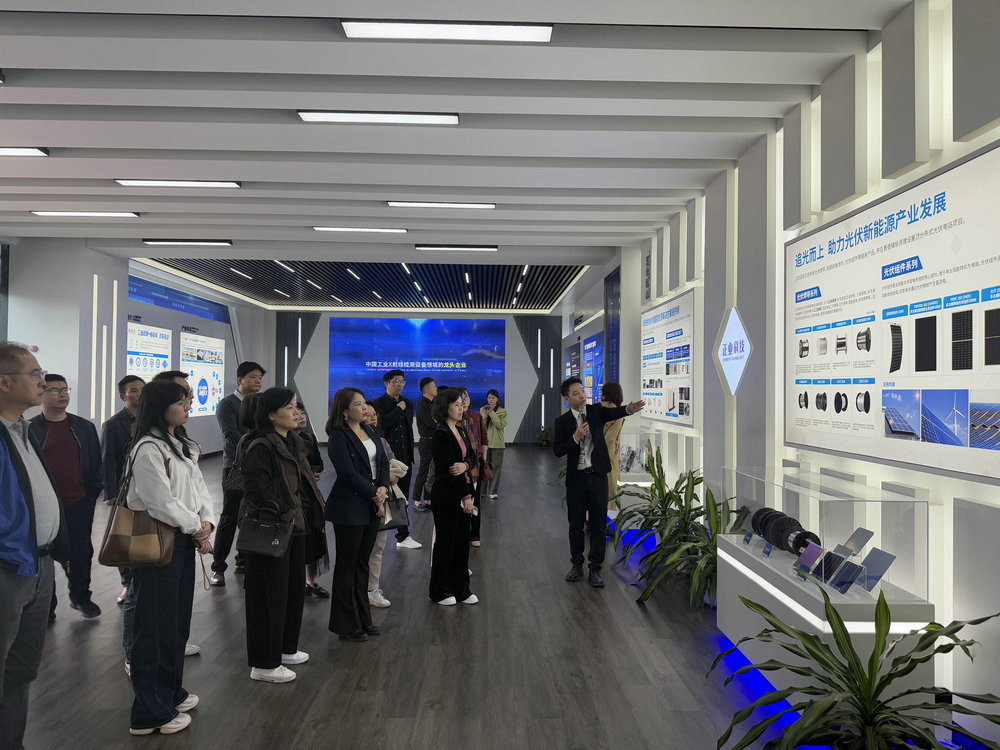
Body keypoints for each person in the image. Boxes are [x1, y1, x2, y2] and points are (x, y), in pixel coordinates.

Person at [124, 380, 215, 736]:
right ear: (161, 407)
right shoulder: (147, 447)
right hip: (158, 542)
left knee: (175, 623)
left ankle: (170, 692)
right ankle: (148, 712)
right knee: (153, 627)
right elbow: (159, 502)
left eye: (188, 400)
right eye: (181, 401)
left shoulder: (180, 444)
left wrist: (206, 521)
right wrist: (196, 527)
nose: (188, 405)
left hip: (181, 539)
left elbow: (198, 489)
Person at [0, 343, 68, 750]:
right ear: (4, 383)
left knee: (21, 671)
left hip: (39, 566)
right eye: (35, 374)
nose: (43, 382)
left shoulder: (23, 429)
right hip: (9, 568)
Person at [241, 388, 323, 683]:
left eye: (296, 406)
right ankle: (264, 663)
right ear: (271, 415)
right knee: (268, 596)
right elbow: (255, 490)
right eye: (289, 407)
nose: (296, 411)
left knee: (291, 591)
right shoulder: (261, 445)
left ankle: (285, 648)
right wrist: (283, 511)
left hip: (295, 526)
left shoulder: (293, 442)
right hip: (273, 528)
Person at [554, 376, 644, 588]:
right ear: (567, 398)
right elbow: (558, 450)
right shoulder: (562, 422)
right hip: (576, 480)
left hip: (597, 477)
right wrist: (575, 437)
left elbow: (614, 413)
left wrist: (628, 409)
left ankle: (595, 568)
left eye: (582, 391)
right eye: (576, 393)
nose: (582, 395)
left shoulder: (595, 411)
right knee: (576, 526)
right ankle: (577, 565)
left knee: (598, 526)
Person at [29, 374, 103, 619]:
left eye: (64, 389)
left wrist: (91, 495)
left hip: (79, 502)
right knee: (43, 555)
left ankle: (80, 598)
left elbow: (96, 464)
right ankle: (47, 606)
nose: (62, 394)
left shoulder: (84, 427)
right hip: (44, 506)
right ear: (41, 394)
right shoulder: (30, 429)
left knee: (80, 553)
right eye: (54, 390)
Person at [326, 388, 386, 641]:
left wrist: (383, 488)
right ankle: (345, 625)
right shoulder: (338, 436)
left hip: (371, 504)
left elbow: (382, 463)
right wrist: (375, 493)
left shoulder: (370, 431)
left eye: (364, 404)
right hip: (350, 506)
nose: (365, 409)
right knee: (347, 565)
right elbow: (348, 474)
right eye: (358, 404)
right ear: (344, 411)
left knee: (362, 562)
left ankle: (363, 619)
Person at [212, 361, 265, 586]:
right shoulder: (228, 404)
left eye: (260, 377)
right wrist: (258, 442)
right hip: (236, 468)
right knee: (230, 515)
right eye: (253, 376)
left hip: (259, 467)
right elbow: (230, 434)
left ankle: (243, 559)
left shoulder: (261, 402)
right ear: (240, 379)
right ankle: (218, 567)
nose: (258, 380)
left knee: (253, 513)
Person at [428, 388, 478, 606]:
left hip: (463, 492)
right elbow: (450, 470)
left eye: (461, 404)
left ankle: (461, 588)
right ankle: (439, 590)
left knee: (461, 543)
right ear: (445, 407)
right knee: (445, 543)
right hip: (447, 495)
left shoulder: (461, 429)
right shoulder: (441, 433)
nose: (461, 408)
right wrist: (466, 496)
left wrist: (466, 465)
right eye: (456, 405)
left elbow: (472, 457)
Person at [101, 374, 144, 604]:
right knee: (123, 538)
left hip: (146, 489)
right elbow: (107, 461)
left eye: (142, 389)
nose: (139, 393)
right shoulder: (113, 425)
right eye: (134, 390)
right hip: (123, 490)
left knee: (144, 535)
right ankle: (127, 584)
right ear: (123, 396)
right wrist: (111, 493)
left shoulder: (151, 419)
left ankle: (143, 578)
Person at [371, 370, 421, 549]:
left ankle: (403, 536)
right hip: (387, 459)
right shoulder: (378, 404)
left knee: (402, 498)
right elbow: (382, 425)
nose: (400, 384)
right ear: (387, 383)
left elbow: (408, 430)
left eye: (402, 381)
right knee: (383, 498)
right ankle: (376, 534)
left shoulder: (408, 403)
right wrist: (398, 409)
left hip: (404, 458)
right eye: (396, 381)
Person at [363, 403, 400, 609]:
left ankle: (372, 588)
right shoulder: (348, 441)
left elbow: (394, 468)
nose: (372, 418)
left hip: (382, 500)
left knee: (377, 547)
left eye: (374, 414)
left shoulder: (382, 441)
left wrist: (386, 483)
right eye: (367, 414)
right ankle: (358, 588)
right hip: (362, 500)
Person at [292, 400, 329, 599]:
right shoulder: (281, 441)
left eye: (302, 412)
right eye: (295, 412)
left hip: (310, 492)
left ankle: (310, 581)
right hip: (293, 494)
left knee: (313, 535)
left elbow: (319, 464)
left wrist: (312, 472)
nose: (301, 416)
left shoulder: (309, 438)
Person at [456, 388, 487, 548]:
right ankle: (461, 533)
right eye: (460, 398)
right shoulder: (454, 420)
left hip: (476, 465)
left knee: (475, 501)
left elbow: (483, 440)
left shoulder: (475, 417)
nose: (464, 400)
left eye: (466, 397)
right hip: (461, 466)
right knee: (462, 501)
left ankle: (474, 534)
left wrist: (483, 459)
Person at [600, 382, 626, 519]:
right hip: (606, 459)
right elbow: (609, 441)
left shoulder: (597, 408)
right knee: (608, 494)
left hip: (590, 457)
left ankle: (589, 521)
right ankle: (604, 524)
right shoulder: (617, 413)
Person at [413, 377, 437, 511]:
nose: (436, 388)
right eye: (434, 386)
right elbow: (431, 423)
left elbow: (437, 421)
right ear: (427, 390)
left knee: (432, 472)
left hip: (434, 441)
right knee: (424, 471)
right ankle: (416, 500)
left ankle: (428, 499)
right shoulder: (422, 404)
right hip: (426, 441)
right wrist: (436, 421)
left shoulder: (433, 404)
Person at [480, 388, 507, 500]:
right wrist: (486, 414)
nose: (490, 400)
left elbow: (500, 425)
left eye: (493, 398)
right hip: (485, 444)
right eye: (489, 398)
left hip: (497, 444)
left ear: (497, 399)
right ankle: (481, 491)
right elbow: (481, 424)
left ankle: (493, 492)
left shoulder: (502, 412)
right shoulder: (483, 409)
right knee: (483, 467)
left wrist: (492, 413)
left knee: (495, 469)